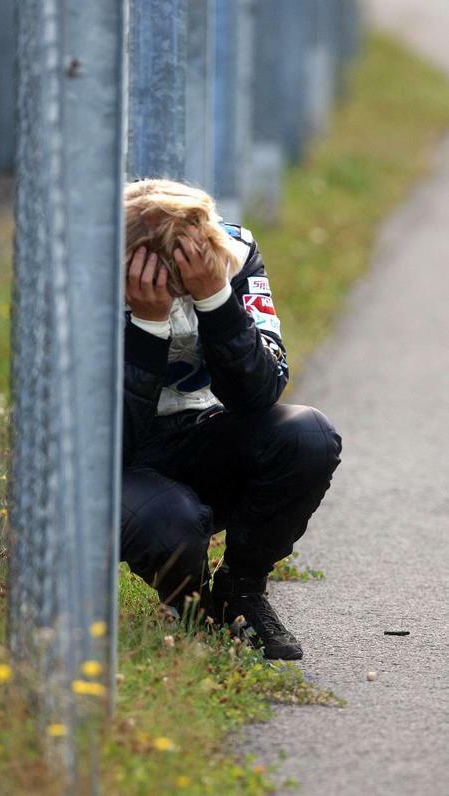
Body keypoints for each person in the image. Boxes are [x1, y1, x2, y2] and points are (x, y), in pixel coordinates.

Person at [121, 178, 341, 660]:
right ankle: (194, 609)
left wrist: (215, 299)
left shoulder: (232, 251)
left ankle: (241, 590)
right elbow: (109, 443)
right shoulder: (84, 268)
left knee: (307, 435)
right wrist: (147, 325)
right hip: (114, 461)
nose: (175, 284)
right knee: (169, 518)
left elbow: (259, 393)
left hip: (202, 431)